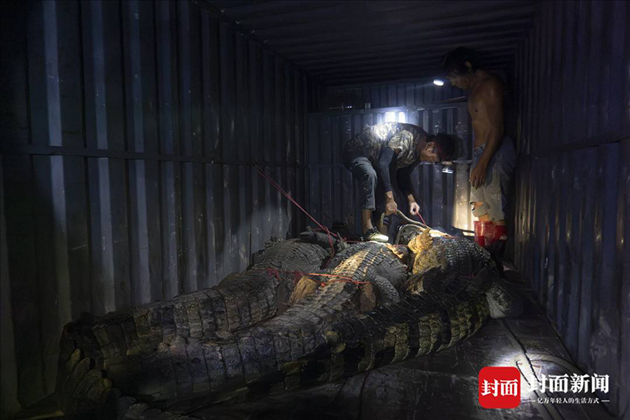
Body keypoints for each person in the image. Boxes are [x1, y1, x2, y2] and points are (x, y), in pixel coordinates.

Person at [442, 47, 516, 260]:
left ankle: (496, 261)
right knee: (479, 206)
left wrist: (483, 163)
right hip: (481, 153)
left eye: (454, 78)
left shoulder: (490, 85)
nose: (454, 84)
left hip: (494, 151)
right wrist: (479, 160)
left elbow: (497, 128)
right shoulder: (474, 90)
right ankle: (482, 257)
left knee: (495, 207)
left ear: (468, 67)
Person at [342, 122, 458, 242]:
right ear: (430, 146)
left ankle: (383, 239)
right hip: (357, 151)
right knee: (370, 175)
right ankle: (367, 229)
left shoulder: (418, 153)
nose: (432, 162)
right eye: (435, 159)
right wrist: (389, 199)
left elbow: (402, 177)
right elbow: (383, 164)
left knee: (391, 195)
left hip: (376, 160)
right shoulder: (407, 137)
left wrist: (411, 200)